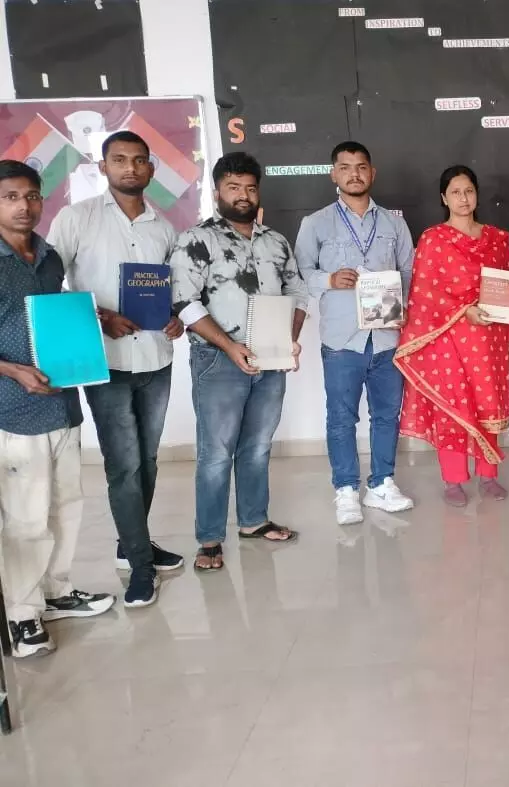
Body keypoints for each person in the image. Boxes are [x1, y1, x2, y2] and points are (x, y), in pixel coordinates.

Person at [47, 131, 184, 609]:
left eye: (139, 160)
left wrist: (175, 317)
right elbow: (47, 284)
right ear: (102, 167)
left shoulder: (164, 227)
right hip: (105, 362)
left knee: (147, 460)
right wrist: (99, 315)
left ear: (151, 169)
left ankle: (132, 544)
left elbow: (173, 289)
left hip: (157, 359)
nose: (130, 167)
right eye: (120, 160)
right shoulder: (76, 218)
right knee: (124, 466)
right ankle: (140, 568)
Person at [170, 152, 307, 572]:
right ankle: (210, 539)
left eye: (249, 187)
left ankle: (253, 521)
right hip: (218, 360)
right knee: (216, 453)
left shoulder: (276, 241)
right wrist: (230, 347)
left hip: (271, 360)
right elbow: (184, 303)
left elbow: (297, 293)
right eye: (233, 187)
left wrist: (289, 339)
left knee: (258, 446)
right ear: (217, 193)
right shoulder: (197, 239)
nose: (242, 195)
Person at [0, 160, 115, 657]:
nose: (24, 206)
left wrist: (91, 316)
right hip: (15, 410)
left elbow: (52, 312)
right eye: (10, 197)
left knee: (66, 505)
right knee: (25, 517)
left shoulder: (48, 257)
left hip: (64, 402)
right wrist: (13, 370)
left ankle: (56, 592)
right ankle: (22, 615)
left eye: (31, 196)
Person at [294, 141, 415, 525]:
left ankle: (381, 484)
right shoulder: (316, 223)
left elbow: (409, 272)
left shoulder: (394, 223)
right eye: (345, 167)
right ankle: (346, 490)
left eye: (361, 167)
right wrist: (329, 279)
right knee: (341, 418)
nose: (354, 174)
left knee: (386, 415)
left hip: (386, 336)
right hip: (341, 338)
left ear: (372, 172)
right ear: (334, 173)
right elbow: (298, 275)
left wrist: (402, 307)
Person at [394, 166, 509, 507]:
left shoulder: (496, 238)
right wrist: (463, 310)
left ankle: (488, 475)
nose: (463, 198)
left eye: (468, 191)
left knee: (488, 404)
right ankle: (453, 480)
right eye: (455, 192)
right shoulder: (433, 240)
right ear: (444, 197)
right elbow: (424, 293)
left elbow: (501, 284)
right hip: (448, 339)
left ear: (477, 194)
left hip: (489, 339)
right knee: (453, 406)